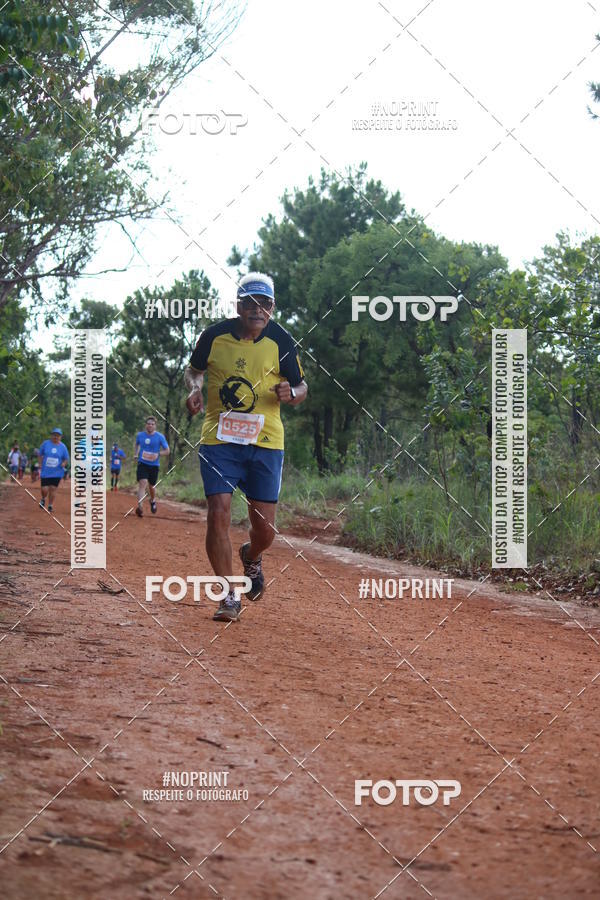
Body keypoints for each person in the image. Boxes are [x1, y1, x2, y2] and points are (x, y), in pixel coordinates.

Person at [184, 272, 307, 622]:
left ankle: (251, 556)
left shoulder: (281, 340)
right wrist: (195, 389)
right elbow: (193, 371)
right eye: (251, 303)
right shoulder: (213, 336)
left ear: (272, 308)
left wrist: (292, 394)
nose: (258, 310)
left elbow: (301, 387)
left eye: (265, 304)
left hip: (266, 443)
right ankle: (228, 595)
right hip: (219, 439)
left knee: (265, 530)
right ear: (238, 306)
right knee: (219, 512)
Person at [134, 417, 169, 517]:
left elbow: (167, 451)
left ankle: (153, 500)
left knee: (152, 486)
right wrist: (136, 454)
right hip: (142, 463)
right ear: (146, 425)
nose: (150, 425)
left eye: (152, 424)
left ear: (155, 425)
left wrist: (158, 454)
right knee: (143, 483)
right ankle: (140, 507)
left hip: (154, 465)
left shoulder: (160, 437)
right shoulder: (140, 435)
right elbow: (136, 445)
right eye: (148, 423)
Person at [38, 428, 69, 512]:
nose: (56, 437)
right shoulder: (45, 444)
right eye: (54, 435)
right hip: (45, 471)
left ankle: (50, 505)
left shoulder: (63, 447)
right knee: (44, 489)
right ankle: (43, 498)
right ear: (51, 435)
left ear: (60, 437)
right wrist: (40, 464)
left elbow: (66, 458)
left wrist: (64, 463)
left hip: (57, 472)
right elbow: (40, 454)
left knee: (53, 489)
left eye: (58, 435)